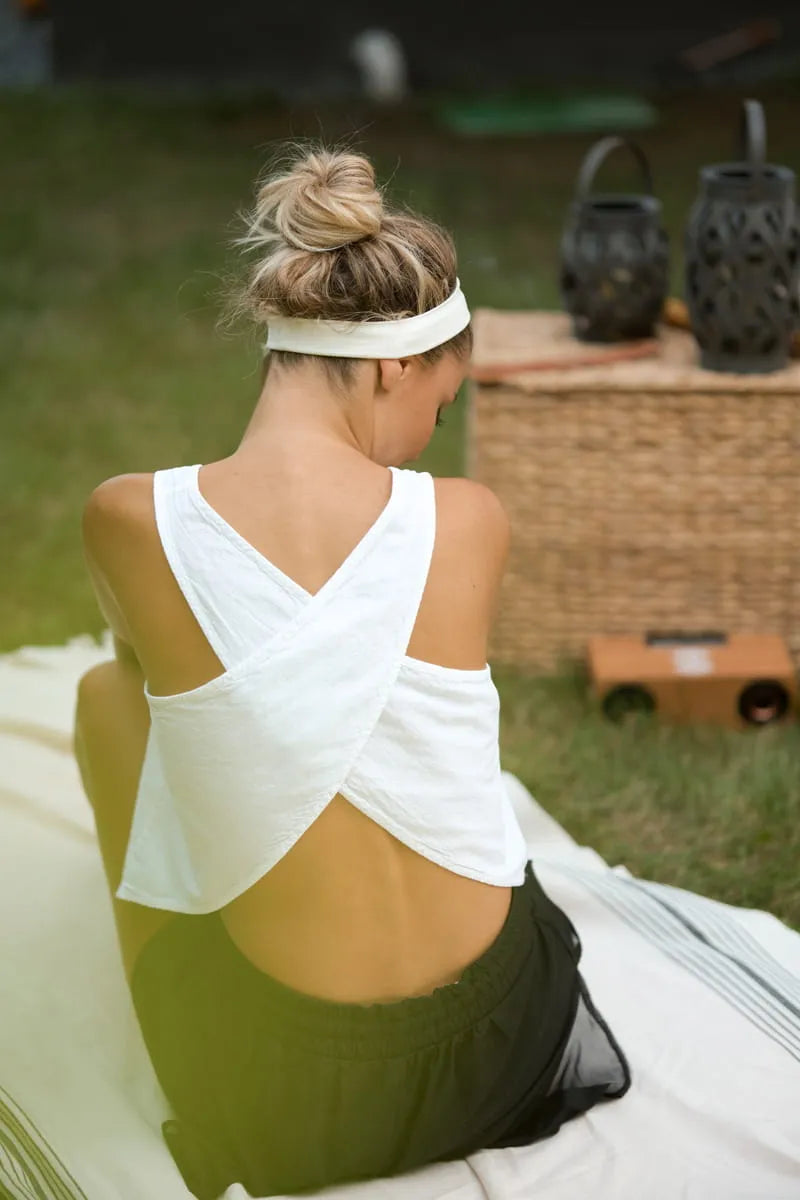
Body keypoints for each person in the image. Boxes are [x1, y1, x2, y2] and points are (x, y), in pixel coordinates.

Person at [74, 147, 630, 1200]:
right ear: (391, 369)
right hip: (501, 1045)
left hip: (281, 1091)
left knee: (108, 703)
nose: (431, 435)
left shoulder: (128, 519)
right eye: (440, 402)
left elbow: (136, 672)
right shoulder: (466, 520)